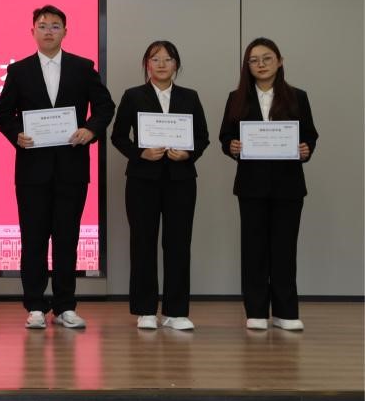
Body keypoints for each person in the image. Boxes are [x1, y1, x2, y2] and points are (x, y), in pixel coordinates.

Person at [0, 5, 114, 330]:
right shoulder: (19, 70)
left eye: (55, 26)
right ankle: (34, 305)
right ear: (32, 30)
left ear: (65, 31)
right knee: (33, 239)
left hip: (71, 167)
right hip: (32, 170)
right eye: (43, 25)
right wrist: (16, 135)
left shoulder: (82, 67)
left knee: (66, 239)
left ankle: (64, 306)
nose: (49, 31)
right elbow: (3, 114)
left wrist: (90, 130)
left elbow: (105, 106)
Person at [218, 37, 317, 332]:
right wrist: (232, 146)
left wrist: (306, 149)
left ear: (280, 61)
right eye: (254, 60)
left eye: (267, 58)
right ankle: (256, 311)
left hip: (289, 185)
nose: (260, 64)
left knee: (285, 249)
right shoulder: (236, 98)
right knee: (254, 249)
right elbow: (225, 136)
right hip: (251, 185)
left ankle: (286, 312)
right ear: (247, 66)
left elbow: (309, 135)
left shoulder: (298, 96)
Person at [110, 40, 210, 331]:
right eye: (155, 59)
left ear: (176, 64)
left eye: (168, 59)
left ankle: (176, 311)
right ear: (147, 65)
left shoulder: (190, 96)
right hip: (143, 180)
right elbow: (118, 136)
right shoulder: (133, 96)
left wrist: (188, 154)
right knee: (143, 242)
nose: (162, 64)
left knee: (178, 243)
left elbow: (202, 136)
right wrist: (140, 153)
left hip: (181, 180)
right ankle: (145, 310)